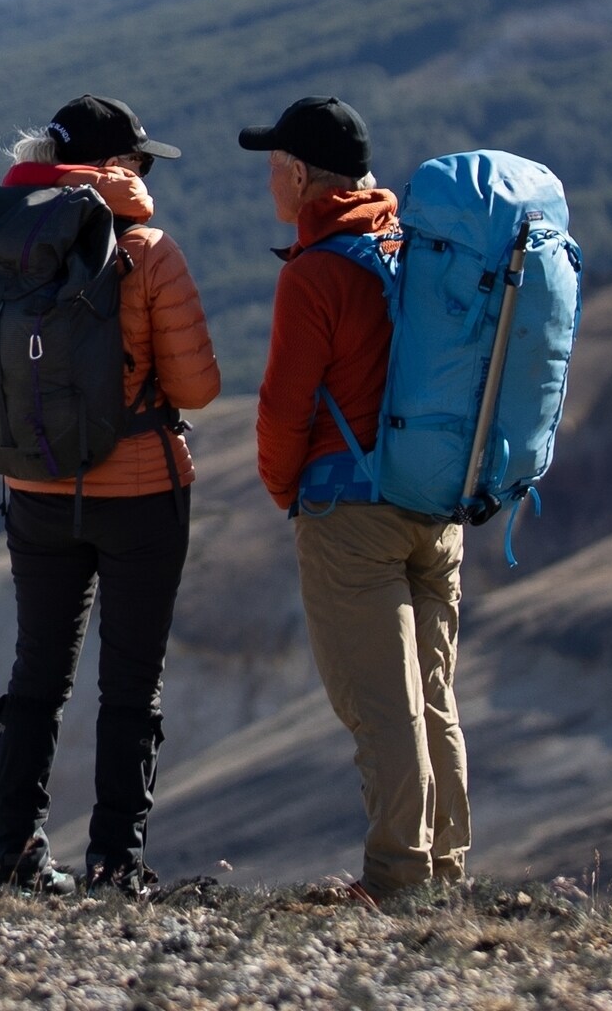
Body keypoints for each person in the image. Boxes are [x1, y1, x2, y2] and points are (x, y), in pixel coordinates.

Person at [0, 94, 220, 898]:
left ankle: (15, 854)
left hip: (35, 487)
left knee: (37, 674)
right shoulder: (148, 252)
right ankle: (115, 862)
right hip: (142, 496)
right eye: (141, 162)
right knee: (130, 682)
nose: (146, 174)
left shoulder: (9, 243)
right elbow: (198, 385)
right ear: (118, 170)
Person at [244, 93, 468, 905]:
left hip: (352, 518)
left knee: (381, 705)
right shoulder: (412, 247)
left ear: (300, 175)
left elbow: (283, 408)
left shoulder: (317, 274)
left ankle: (398, 881)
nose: (270, 180)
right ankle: (444, 871)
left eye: (274, 166)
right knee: (433, 697)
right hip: (436, 508)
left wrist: (286, 490)